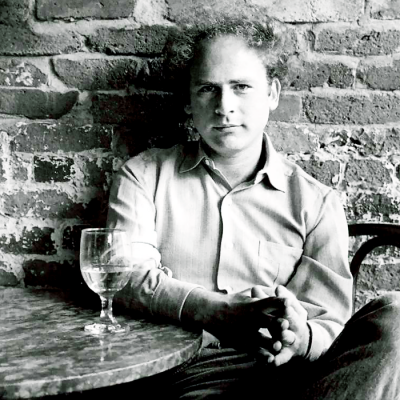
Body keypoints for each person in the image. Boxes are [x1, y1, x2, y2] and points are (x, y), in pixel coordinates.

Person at [107, 20, 400, 399]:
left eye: (241, 87)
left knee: (397, 315)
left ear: (272, 94)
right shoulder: (144, 175)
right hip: (192, 375)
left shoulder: (316, 201)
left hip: (301, 379)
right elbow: (123, 275)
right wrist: (216, 311)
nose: (224, 106)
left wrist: (299, 336)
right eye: (207, 89)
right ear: (188, 101)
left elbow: (328, 321)